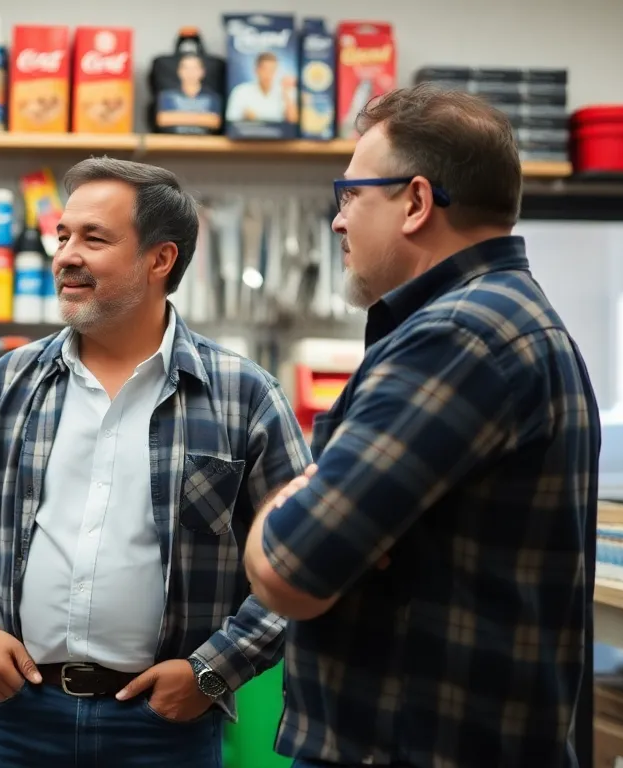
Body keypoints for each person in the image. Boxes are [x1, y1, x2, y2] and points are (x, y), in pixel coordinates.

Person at [243, 83, 601, 767]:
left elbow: (289, 567)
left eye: (350, 195)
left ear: (415, 201)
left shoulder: (458, 338)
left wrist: (287, 504)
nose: (338, 221)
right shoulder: (505, 319)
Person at [0, 157, 312, 768]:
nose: (65, 256)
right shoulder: (12, 381)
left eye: (93, 238)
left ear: (160, 260)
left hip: (164, 728)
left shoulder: (243, 395)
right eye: (63, 235)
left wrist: (214, 671)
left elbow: (306, 557)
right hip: (23, 716)